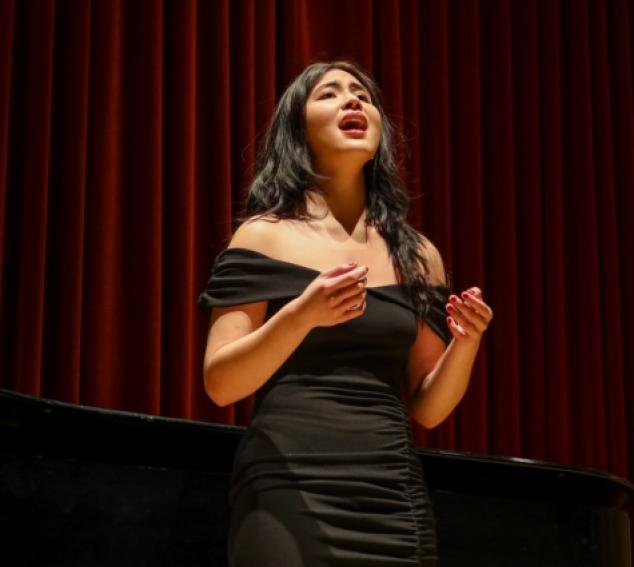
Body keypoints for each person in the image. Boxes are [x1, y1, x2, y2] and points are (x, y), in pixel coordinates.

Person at [198, 60, 493, 567]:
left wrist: (465, 342)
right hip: (289, 488)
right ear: (299, 128)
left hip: (390, 490)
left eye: (362, 94)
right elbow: (222, 383)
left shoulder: (417, 253)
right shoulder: (264, 235)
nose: (352, 101)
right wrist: (301, 315)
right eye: (329, 94)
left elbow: (428, 407)